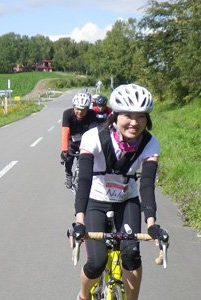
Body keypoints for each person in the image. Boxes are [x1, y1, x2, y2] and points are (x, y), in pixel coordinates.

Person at [69, 84, 168, 300]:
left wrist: (151, 224)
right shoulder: (93, 136)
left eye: (141, 116)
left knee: (131, 255)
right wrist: (79, 221)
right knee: (96, 263)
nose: (134, 122)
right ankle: (84, 296)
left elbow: (148, 184)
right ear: (114, 115)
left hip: (126, 201)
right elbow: (84, 179)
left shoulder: (150, 143)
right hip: (96, 201)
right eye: (128, 115)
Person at [61, 92, 101, 188]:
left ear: (87, 109)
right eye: (77, 108)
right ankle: (69, 175)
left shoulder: (92, 115)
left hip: (85, 141)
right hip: (72, 139)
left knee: (88, 161)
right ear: (73, 106)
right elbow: (65, 132)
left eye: (83, 109)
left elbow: (94, 132)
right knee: (68, 159)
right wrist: (64, 150)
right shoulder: (67, 114)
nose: (80, 112)